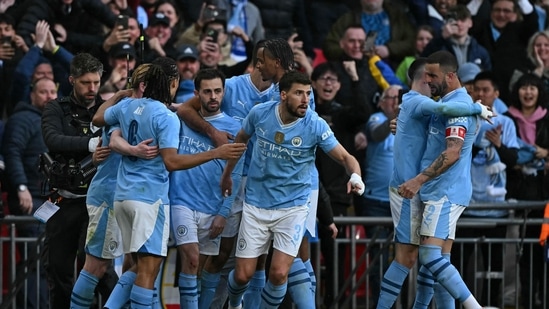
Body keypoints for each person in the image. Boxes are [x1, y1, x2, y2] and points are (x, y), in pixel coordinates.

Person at [91, 56, 246, 308]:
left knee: (139, 265)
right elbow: (171, 162)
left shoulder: (129, 105)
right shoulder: (166, 117)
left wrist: (120, 94)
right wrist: (215, 153)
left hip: (122, 197)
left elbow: (98, 118)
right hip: (149, 199)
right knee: (148, 270)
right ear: (173, 83)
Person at [222, 70, 365, 309]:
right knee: (242, 276)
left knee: (278, 274)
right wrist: (228, 175)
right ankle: (235, 305)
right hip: (257, 204)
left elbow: (346, 157)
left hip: (293, 207)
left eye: (308, 94)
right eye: (299, 93)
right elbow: (240, 139)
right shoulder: (260, 114)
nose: (306, 99)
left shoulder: (314, 124)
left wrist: (356, 176)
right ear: (283, 95)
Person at [376, 56, 492, 309]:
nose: (428, 80)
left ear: (450, 76)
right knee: (438, 259)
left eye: (433, 76)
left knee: (425, 256)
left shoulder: (457, 106)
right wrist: (402, 126)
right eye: (426, 75)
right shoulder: (440, 102)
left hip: (441, 191)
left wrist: (418, 181)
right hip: (432, 190)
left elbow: (452, 152)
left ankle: (475, 307)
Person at [69, 64, 159, 309]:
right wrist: (119, 97)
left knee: (142, 262)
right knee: (96, 266)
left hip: (130, 195)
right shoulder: (122, 109)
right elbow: (99, 120)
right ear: (144, 85)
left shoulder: (146, 109)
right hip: (108, 194)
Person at [41, 52, 118, 309]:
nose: (92, 88)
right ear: (72, 79)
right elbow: (53, 139)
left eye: (96, 82)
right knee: (58, 269)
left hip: (97, 201)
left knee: (101, 269)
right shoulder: (55, 108)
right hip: (63, 199)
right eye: (86, 82)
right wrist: (91, 143)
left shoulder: (106, 111)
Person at [169, 68, 244, 309]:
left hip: (211, 206)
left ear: (224, 93)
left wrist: (223, 213)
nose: (213, 96)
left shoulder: (235, 129)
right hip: (181, 201)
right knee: (190, 260)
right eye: (207, 91)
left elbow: (238, 174)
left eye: (218, 91)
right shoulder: (181, 119)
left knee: (198, 270)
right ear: (196, 93)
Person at [452, 71, 519, 308]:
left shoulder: (506, 122)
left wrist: (498, 145)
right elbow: (455, 156)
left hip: (495, 209)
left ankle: (490, 305)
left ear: (496, 93)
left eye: (486, 90)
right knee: (460, 265)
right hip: (467, 206)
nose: (480, 94)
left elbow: (514, 160)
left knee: (494, 267)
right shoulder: (463, 118)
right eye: (476, 89)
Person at [3, 78, 57, 309]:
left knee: (43, 261)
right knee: (35, 260)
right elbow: (12, 152)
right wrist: (21, 187)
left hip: (47, 201)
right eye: (43, 92)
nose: (49, 96)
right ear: (32, 95)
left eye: (53, 91)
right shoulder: (23, 119)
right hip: (29, 200)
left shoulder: (52, 121)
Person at [503, 73, 549, 309]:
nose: (528, 92)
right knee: (523, 255)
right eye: (524, 87)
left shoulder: (547, 119)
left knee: (542, 253)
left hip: (543, 194)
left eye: (533, 87)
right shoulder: (506, 119)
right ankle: (526, 300)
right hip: (516, 193)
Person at [354, 85, 400, 308]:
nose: (395, 102)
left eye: (399, 98)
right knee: (378, 262)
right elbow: (376, 134)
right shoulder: (376, 118)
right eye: (390, 98)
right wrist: (397, 115)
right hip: (376, 202)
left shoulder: (411, 124)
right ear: (381, 102)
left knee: (404, 261)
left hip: (403, 203)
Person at [470, 0, 538, 102]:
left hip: (512, 93)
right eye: (497, 10)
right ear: (491, 12)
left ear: (515, 13)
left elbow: (531, 19)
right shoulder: (481, 29)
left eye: (506, 11)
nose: (501, 14)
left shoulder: (521, 31)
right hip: (483, 93)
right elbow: (467, 19)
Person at [323, 0, 415, 67]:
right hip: (356, 68)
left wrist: (389, 49)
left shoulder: (398, 17)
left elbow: (412, 43)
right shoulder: (347, 19)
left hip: (394, 66)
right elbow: (329, 46)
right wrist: (353, 51)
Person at [421, 4, 492, 71]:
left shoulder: (480, 51)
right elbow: (423, 62)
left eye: (463, 19)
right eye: (455, 19)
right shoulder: (439, 46)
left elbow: (487, 76)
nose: (459, 23)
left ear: (470, 23)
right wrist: (442, 37)